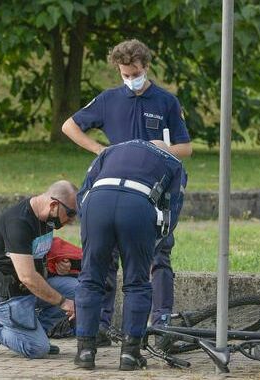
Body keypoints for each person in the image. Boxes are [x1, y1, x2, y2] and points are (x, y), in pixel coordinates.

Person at [61, 39, 192, 343]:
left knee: (159, 252)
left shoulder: (166, 102)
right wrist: (99, 150)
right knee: (105, 256)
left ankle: (161, 322)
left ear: (146, 66)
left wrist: (165, 148)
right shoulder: (108, 100)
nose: (131, 79)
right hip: (114, 188)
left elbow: (186, 148)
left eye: (135, 73)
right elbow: (70, 126)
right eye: (125, 74)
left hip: (154, 190)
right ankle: (102, 324)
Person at [73, 139, 185, 370]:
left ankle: (85, 351)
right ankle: (130, 353)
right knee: (137, 282)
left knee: (90, 278)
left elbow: (83, 190)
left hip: (97, 202)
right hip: (137, 206)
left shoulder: (110, 151)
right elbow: (173, 208)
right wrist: (155, 239)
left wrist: (89, 226)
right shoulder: (173, 162)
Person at [0, 180, 78, 359]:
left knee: (80, 290)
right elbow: (28, 277)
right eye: (70, 214)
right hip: (4, 294)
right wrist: (63, 302)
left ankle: (34, 333)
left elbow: (38, 256)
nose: (71, 220)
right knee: (37, 349)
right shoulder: (18, 222)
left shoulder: (47, 219)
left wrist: (61, 268)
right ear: (54, 205)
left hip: (29, 291)